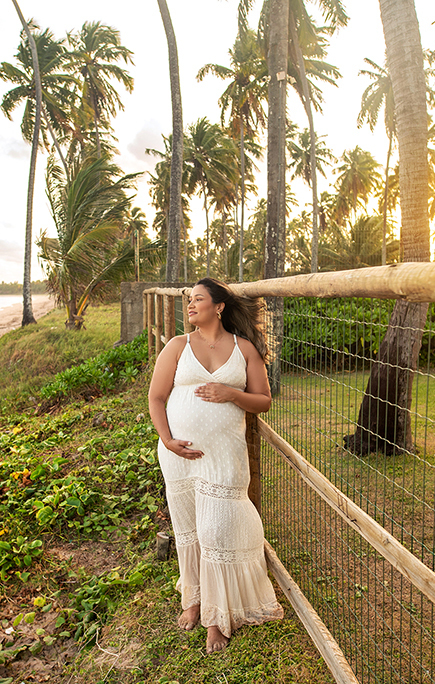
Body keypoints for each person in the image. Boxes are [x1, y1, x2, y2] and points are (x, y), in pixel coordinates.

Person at [148, 277, 283, 654]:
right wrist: (167, 440)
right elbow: (156, 398)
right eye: (189, 300)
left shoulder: (244, 350)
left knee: (217, 530)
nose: (190, 305)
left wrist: (231, 393)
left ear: (218, 306)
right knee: (189, 529)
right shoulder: (177, 346)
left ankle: (219, 616)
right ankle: (194, 600)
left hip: (224, 457)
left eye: (198, 299)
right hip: (178, 457)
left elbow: (263, 400)